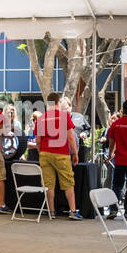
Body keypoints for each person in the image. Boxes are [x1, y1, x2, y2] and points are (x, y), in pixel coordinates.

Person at [37, 93, 84, 221]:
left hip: (45, 153)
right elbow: (71, 137)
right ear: (58, 103)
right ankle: (73, 211)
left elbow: (38, 140)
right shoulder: (64, 116)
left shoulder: (41, 118)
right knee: (68, 182)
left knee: (49, 184)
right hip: (61, 153)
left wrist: (40, 152)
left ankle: (51, 211)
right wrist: (75, 153)